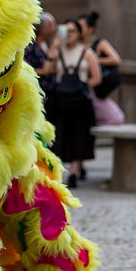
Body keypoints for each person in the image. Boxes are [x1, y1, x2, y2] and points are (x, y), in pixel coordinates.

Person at [44, 19, 101, 189]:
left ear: (79, 34)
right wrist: (53, 47)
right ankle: (59, 170)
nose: (68, 35)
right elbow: (47, 70)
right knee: (60, 136)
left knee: (79, 136)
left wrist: (81, 87)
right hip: (61, 101)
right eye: (65, 31)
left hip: (80, 103)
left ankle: (74, 172)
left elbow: (97, 78)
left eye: (72, 31)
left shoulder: (87, 53)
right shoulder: (58, 50)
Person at [24, 12, 57, 110]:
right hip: (39, 89)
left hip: (50, 90)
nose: (54, 28)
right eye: (51, 25)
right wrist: (43, 71)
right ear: (42, 29)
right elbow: (26, 68)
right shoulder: (30, 46)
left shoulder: (44, 43)